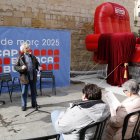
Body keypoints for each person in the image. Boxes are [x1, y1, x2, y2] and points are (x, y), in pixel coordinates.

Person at [14, 42, 41, 111]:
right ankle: (23, 105)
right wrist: (21, 67)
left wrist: (39, 67)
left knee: (34, 91)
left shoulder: (32, 56)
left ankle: (34, 104)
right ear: (23, 49)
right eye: (26, 48)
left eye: (28, 47)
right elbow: (15, 67)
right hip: (25, 77)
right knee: (24, 92)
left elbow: (37, 64)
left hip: (33, 76)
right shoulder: (20, 57)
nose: (28, 49)